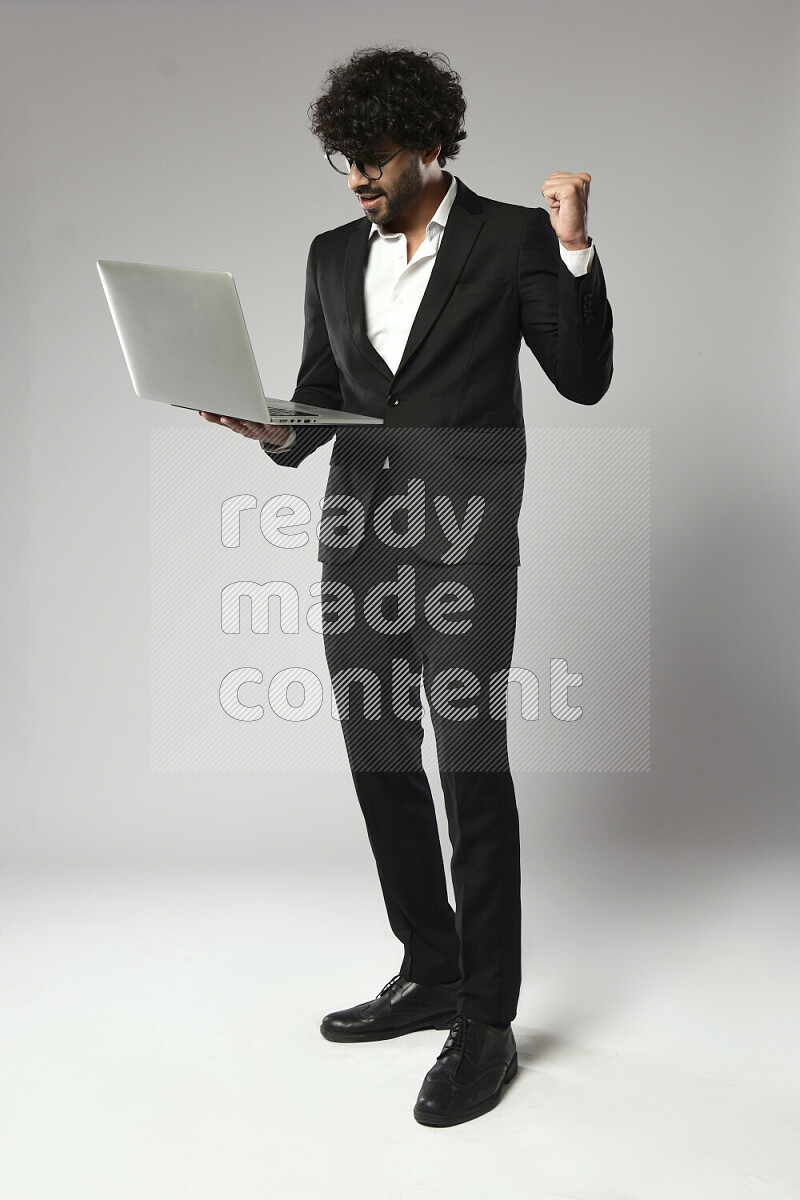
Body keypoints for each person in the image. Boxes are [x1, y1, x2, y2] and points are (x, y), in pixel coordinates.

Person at [200, 46, 613, 1127]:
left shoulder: (512, 238)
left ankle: (486, 1016)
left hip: (463, 531)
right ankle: (428, 970)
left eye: (370, 158)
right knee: (379, 753)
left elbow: (581, 378)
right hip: (358, 537)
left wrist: (571, 250)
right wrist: (268, 430)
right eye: (341, 161)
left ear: (427, 144)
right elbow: (320, 401)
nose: (352, 180)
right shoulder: (331, 254)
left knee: (469, 760)